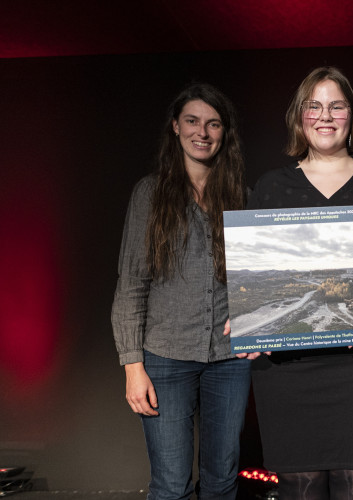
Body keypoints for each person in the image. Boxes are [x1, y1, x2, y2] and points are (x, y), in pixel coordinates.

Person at [246, 66, 353, 499]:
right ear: (300, 116)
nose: (326, 116)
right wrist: (249, 320)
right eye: (314, 106)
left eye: (336, 106)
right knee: (299, 485)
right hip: (288, 368)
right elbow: (254, 272)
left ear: (350, 115)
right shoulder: (270, 188)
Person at [111, 83, 256, 500]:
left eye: (213, 124)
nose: (203, 132)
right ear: (176, 127)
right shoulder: (150, 194)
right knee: (172, 483)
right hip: (165, 357)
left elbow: (260, 280)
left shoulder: (242, 198)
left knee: (222, 478)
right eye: (192, 121)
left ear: (225, 133)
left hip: (229, 358)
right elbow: (132, 284)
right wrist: (132, 367)